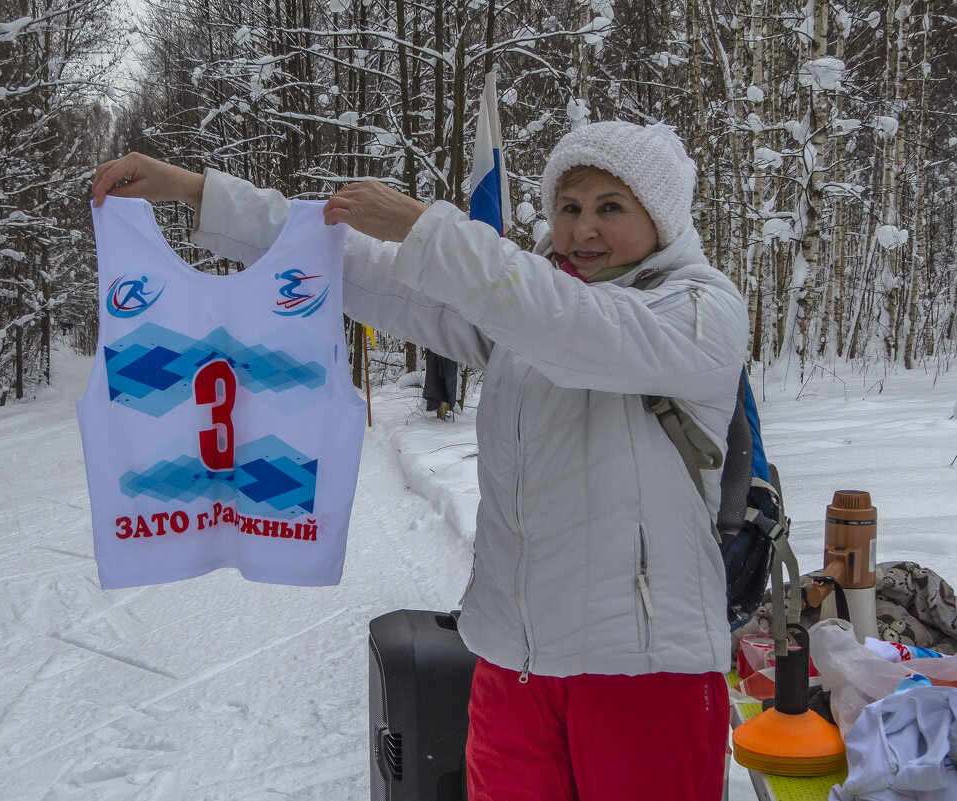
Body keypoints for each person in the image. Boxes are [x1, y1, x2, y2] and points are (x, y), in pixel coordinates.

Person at [92, 120, 749, 801]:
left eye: (609, 207)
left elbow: (576, 329)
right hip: (511, 662)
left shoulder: (699, 309)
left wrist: (423, 226)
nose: (581, 229)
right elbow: (348, 264)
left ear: (662, 218)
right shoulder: (521, 307)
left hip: (643, 672)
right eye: (568, 206)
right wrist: (198, 193)